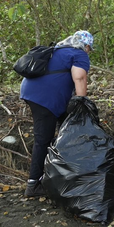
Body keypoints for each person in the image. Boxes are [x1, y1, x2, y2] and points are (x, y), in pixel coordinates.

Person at [20, 30, 94, 197]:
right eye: (90, 49)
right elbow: (80, 78)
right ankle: (33, 185)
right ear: (87, 45)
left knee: (67, 127)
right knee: (43, 138)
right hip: (44, 98)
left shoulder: (58, 50)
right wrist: (82, 104)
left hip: (32, 92)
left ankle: (64, 172)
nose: (89, 52)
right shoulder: (79, 54)